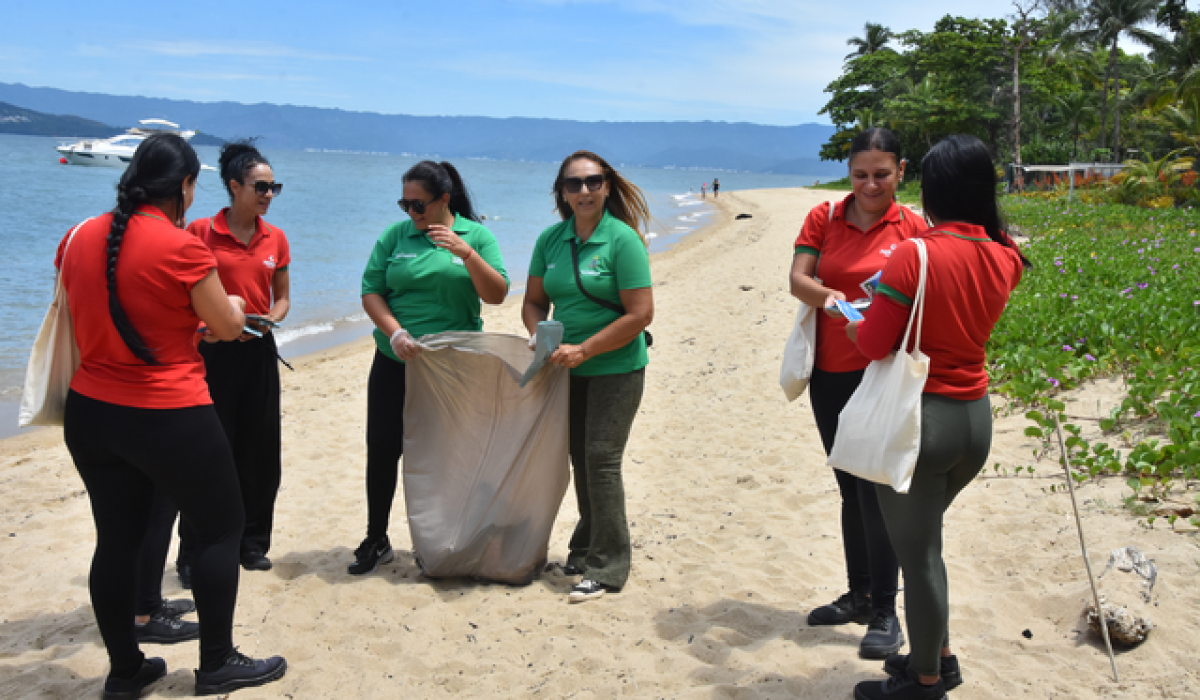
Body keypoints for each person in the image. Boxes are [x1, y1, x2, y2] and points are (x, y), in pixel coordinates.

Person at [58, 133, 286, 698]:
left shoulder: (79, 235)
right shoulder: (182, 246)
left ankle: (125, 670)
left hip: (90, 411)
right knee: (220, 527)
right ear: (185, 185)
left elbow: (92, 305)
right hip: (166, 410)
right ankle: (217, 662)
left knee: (116, 540)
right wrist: (231, 308)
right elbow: (227, 326)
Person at [846, 135, 1028, 700]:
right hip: (974, 419)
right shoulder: (1006, 255)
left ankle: (925, 681)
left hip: (922, 420)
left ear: (930, 190)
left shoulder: (914, 254)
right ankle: (938, 658)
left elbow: (874, 345)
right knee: (926, 545)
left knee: (919, 557)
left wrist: (853, 322)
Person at [788, 127, 926, 659]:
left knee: (879, 492)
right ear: (848, 173)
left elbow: (927, 292)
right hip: (831, 372)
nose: (871, 185)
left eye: (881, 174)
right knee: (850, 485)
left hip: (884, 374)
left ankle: (887, 611)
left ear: (901, 171)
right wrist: (833, 300)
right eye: (860, 174)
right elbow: (798, 279)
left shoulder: (912, 225)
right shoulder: (824, 217)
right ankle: (861, 594)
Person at [350, 160, 509, 575]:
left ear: (444, 200)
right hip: (395, 359)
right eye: (404, 204)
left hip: (452, 367)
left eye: (418, 205)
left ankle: (441, 541)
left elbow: (497, 294)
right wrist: (396, 333)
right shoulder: (395, 236)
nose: (411, 212)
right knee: (382, 448)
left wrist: (466, 253)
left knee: (445, 452)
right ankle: (376, 538)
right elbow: (371, 292)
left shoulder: (476, 236)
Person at [521, 150, 654, 603]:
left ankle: (608, 566)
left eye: (593, 181)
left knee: (601, 459)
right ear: (561, 192)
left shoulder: (623, 240)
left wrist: (585, 349)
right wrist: (539, 335)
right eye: (574, 183)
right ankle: (584, 549)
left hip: (617, 367)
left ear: (607, 186)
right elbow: (534, 302)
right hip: (565, 368)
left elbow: (640, 314)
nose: (584, 191)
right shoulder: (550, 240)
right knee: (580, 458)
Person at [185, 140, 291, 573]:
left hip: (258, 352)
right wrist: (205, 329)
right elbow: (182, 297)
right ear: (234, 186)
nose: (268, 195)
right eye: (260, 187)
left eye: (274, 187)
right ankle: (192, 551)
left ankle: (252, 543)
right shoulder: (199, 232)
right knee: (207, 453)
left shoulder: (275, 237)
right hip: (212, 354)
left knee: (260, 452)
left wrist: (271, 320)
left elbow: (282, 299)